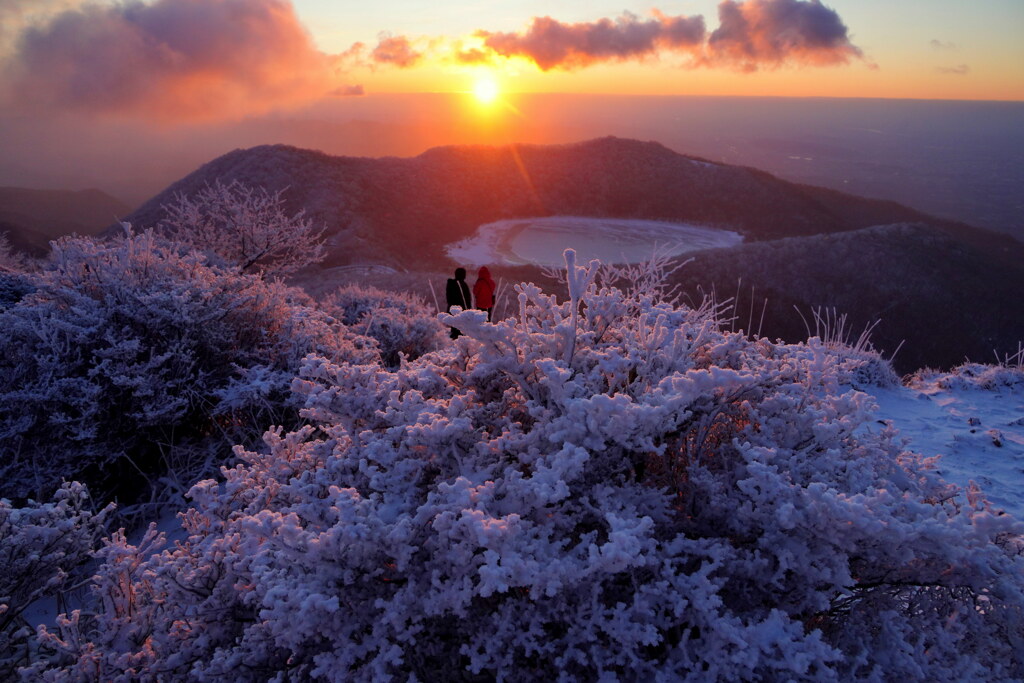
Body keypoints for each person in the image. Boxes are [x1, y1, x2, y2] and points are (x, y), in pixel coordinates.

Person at [445, 267, 472, 339]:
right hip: (461, 310)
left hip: (453, 309)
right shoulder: (463, 284)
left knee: (454, 328)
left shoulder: (451, 284)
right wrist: (468, 310)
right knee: (459, 329)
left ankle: (454, 339)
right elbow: (468, 299)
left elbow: (449, 298)